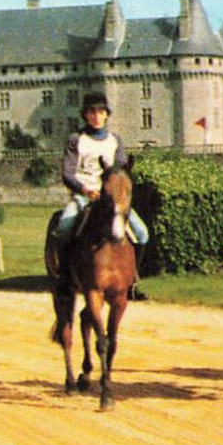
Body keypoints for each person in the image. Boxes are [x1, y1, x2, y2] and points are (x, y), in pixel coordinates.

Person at [48, 90, 150, 301]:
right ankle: (65, 275)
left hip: (110, 198)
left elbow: (120, 170)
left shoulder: (115, 140)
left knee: (142, 233)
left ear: (106, 115)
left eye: (100, 112)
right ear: (85, 115)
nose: (96, 116)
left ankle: (132, 279)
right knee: (64, 227)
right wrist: (84, 189)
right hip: (84, 196)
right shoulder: (76, 140)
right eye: (92, 112)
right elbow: (67, 173)